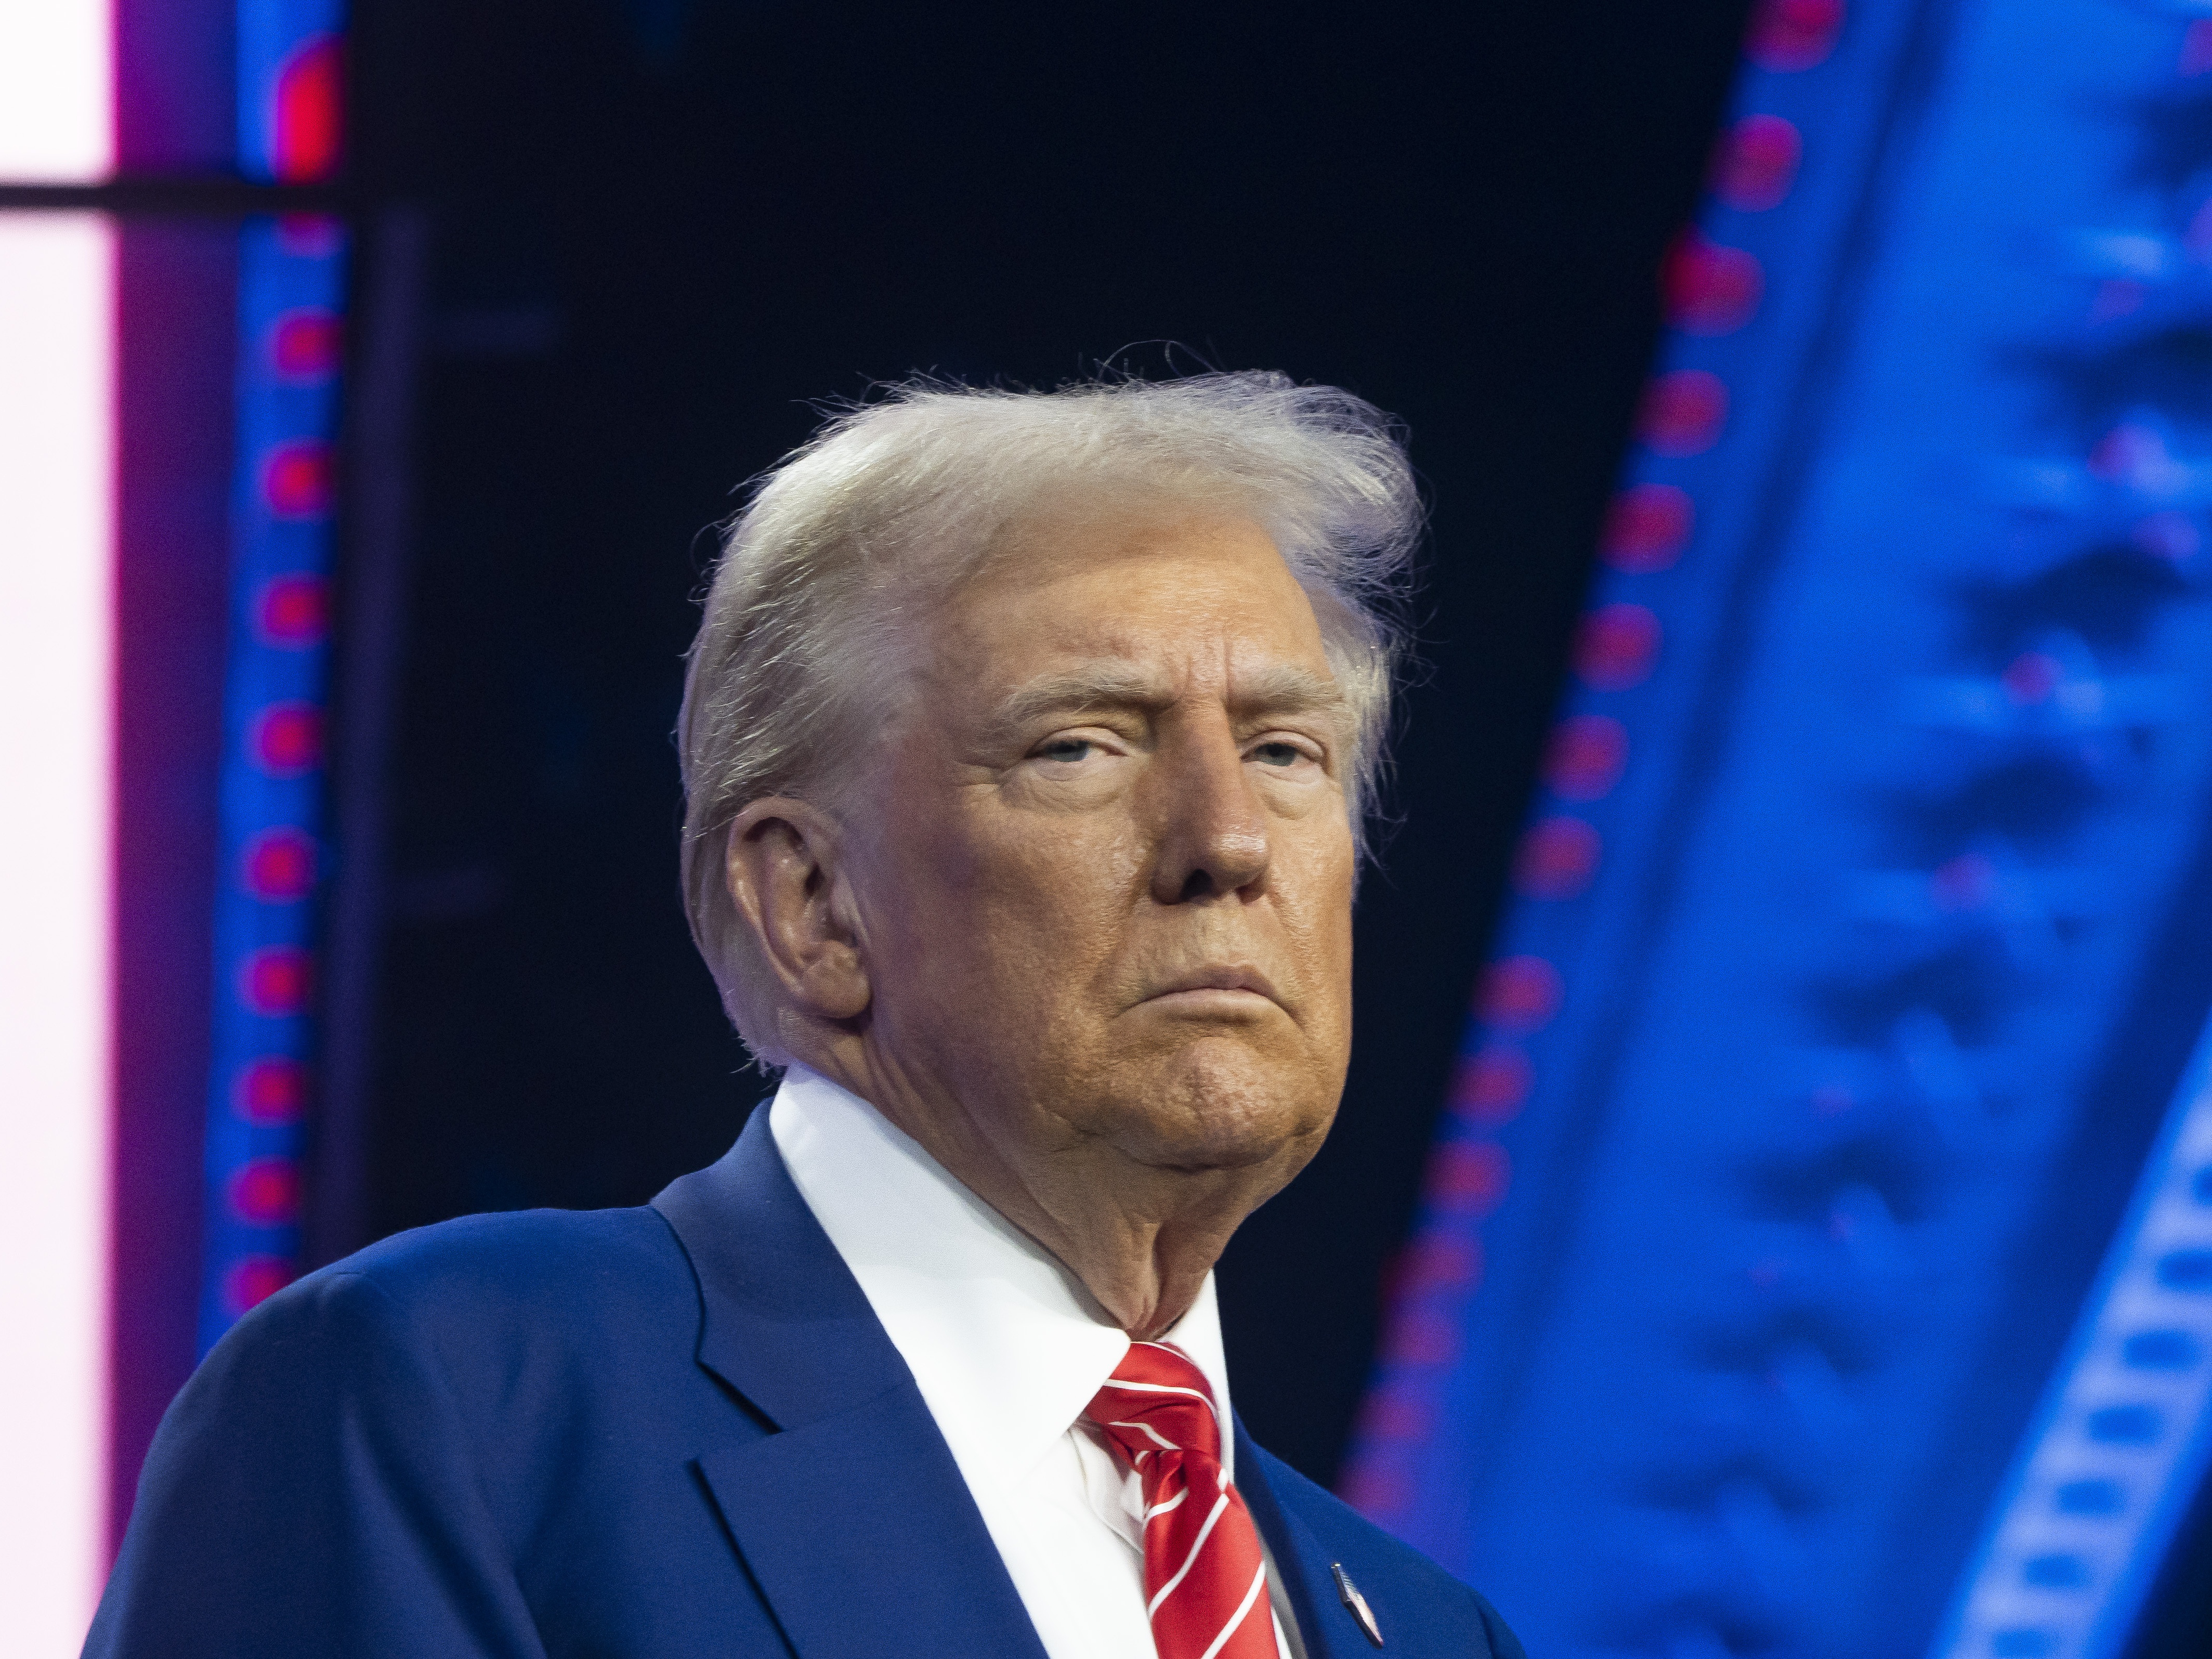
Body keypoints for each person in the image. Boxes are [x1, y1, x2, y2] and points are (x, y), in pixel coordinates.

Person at [87, 373, 1526, 1659]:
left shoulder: (1427, 1626)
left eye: (1285, 750)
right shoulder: (453, 1407)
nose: (1230, 839)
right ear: (812, 905)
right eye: (1080, 744)